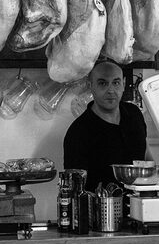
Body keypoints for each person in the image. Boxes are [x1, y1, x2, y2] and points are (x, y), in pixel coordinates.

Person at [63, 61, 147, 190]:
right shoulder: (78, 132)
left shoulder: (134, 113)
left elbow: (146, 155)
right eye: (103, 83)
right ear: (91, 86)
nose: (111, 90)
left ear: (123, 84)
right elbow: (75, 188)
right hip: (101, 207)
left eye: (116, 82)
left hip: (140, 202)